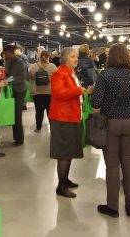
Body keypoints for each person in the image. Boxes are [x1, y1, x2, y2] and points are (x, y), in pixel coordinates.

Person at [91, 44, 130, 218]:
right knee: (129, 165)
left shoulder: (104, 75)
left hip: (111, 124)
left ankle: (113, 207)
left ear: (110, 57)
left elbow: (96, 103)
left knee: (112, 166)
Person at [49, 47, 93, 198]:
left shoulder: (70, 73)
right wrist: (78, 91)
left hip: (71, 116)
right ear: (65, 59)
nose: (76, 59)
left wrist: (83, 91)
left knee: (68, 152)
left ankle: (65, 180)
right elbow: (58, 93)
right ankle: (61, 187)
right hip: (62, 118)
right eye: (73, 57)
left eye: (76, 57)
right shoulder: (59, 74)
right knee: (64, 153)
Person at [3, 44, 27, 146]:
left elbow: (21, 78)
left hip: (20, 90)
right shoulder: (8, 61)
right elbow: (8, 73)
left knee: (17, 115)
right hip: (11, 90)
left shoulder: (20, 62)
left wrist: (7, 80)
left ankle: (19, 139)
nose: (4, 56)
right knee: (13, 115)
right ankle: (16, 138)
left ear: (10, 53)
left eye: (5, 54)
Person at [28, 50, 57, 132]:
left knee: (38, 111)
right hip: (49, 92)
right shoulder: (52, 66)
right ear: (48, 57)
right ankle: (52, 127)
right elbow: (58, 77)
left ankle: (38, 128)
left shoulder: (33, 66)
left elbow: (29, 77)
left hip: (37, 92)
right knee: (50, 111)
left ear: (39, 57)